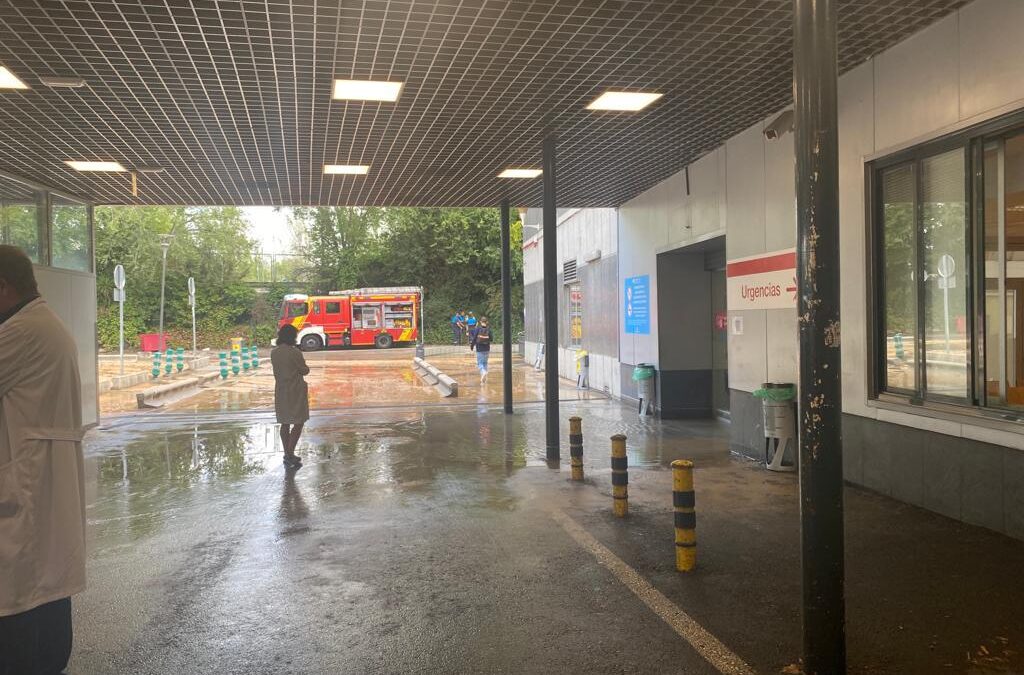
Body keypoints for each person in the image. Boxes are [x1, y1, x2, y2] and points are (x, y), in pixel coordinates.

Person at [0, 245, 86, 675]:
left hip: (27, 484)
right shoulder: (43, 324)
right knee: (45, 589)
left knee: (22, 599)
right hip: (37, 480)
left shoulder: (22, 331)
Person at [272, 324, 310, 469]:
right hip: (295, 390)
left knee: (285, 422)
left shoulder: (274, 352)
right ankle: (289, 453)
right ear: (292, 337)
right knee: (298, 422)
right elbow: (304, 370)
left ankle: (288, 454)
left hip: (281, 390)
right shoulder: (294, 352)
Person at [472, 316, 492, 384]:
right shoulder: (489, 329)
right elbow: (491, 339)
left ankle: (483, 373)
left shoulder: (478, 329)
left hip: (479, 348)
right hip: (487, 348)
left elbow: (474, 338)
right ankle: (484, 378)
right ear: (487, 322)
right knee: (485, 363)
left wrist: (472, 346)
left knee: (480, 363)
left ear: (480, 322)